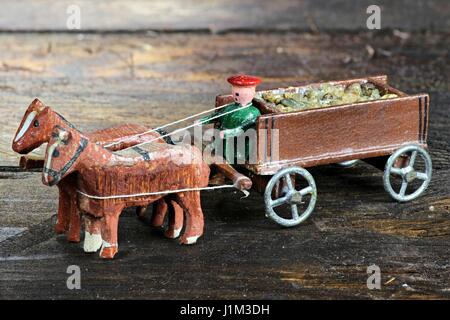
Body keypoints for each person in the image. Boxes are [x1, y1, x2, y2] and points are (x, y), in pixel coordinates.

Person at [199, 75, 261, 164]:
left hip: (239, 147)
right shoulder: (230, 107)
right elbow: (218, 116)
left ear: (252, 92)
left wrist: (227, 133)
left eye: (241, 90)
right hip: (223, 141)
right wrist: (203, 121)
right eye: (235, 89)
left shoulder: (253, 113)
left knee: (232, 156)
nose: (236, 93)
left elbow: (243, 129)